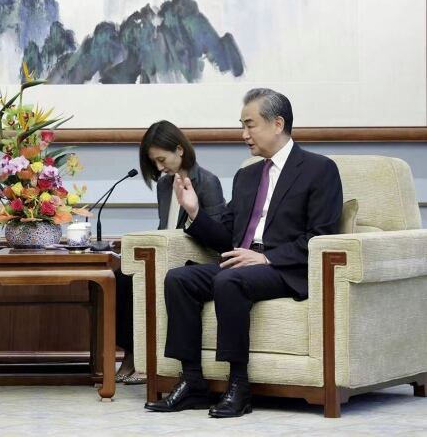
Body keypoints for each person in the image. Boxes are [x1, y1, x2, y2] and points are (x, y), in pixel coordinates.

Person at [143, 89, 343, 417]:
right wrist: (194, 212)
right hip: (243, 263)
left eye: (250, 125)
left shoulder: (319, 170)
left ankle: (239, 386)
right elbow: (227, 237)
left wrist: (267, 258)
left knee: (229, 281)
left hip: (285, 268)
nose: (243, 134)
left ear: (277, 124)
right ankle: (192, 381)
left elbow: (322, 235)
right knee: (179, 279)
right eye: (242, 125)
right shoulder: (247, 174)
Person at [115, 120, 225, 384]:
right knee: (122, 276)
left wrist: (191, 212)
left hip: (196, 258)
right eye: (154, 163)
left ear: (180, 149)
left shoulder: (208, 182)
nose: (159, 168)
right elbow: (164, 227)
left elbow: (218, 235)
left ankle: (146, 362)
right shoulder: (165, 186)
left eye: (162, 159)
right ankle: (131, 353)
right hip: (167, 254)